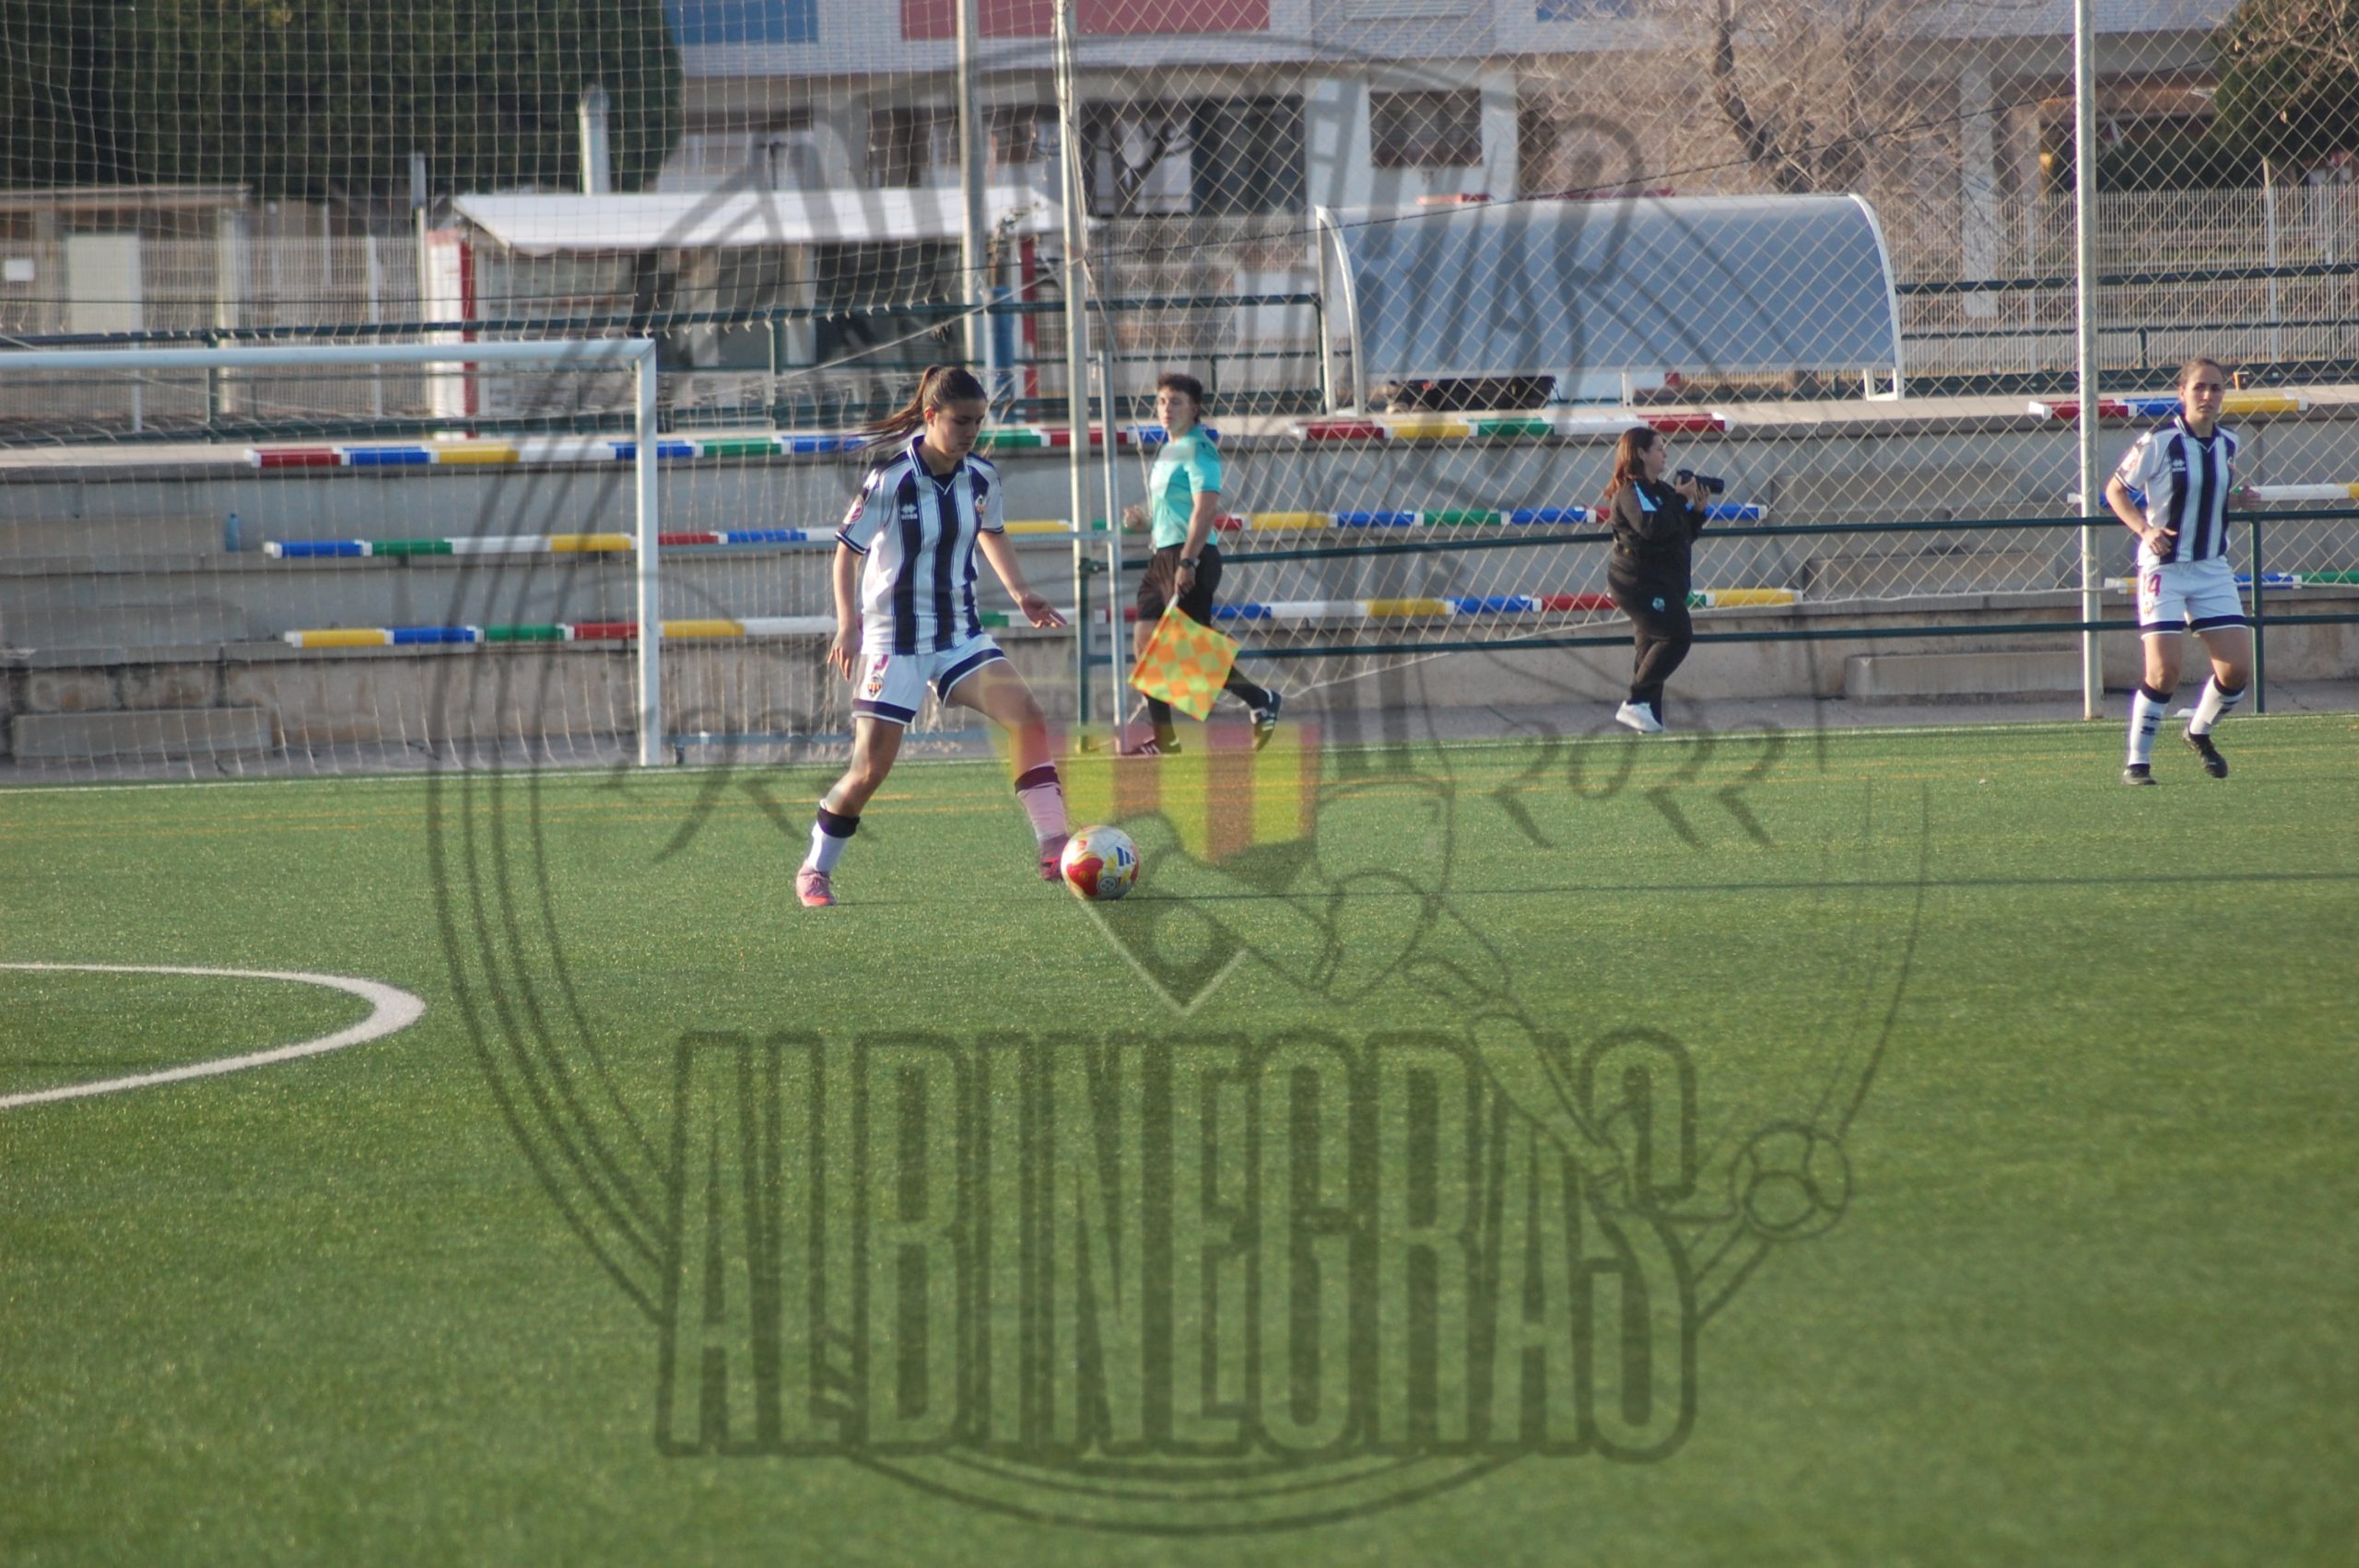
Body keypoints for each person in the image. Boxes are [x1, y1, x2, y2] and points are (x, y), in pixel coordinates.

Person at [795, 365, 1071, 907]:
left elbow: (992, 532)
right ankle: (815, 869)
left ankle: (1053, 844)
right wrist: (848, 625)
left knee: (1028, 717)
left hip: (959, 634)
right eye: (960, 421)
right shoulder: (892, 479)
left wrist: (1021, 592)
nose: (970, 432)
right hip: (894, 642)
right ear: (931, 416)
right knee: (869, 771)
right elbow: (846, 553)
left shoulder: (981, 477)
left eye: (978, 422)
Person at [2104, 357, 2261, 786]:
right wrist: (2145, 529)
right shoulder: (2160, 441)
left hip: (2211, 567)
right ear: (2182, 393)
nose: (2208, 396)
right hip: (2165, 568)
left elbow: (2207, 495)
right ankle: (2138, 762)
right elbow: (2115, 490)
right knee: (2163, 672)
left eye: (2215, 388)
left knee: (2236, 671)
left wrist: (2237, 500)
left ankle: (2198, 731)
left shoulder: (2228, 442)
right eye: (2199, 388)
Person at [1119, 371, 1282, 755]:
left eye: (1175, 401)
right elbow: (1170, 510)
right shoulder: (1168, 450)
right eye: (1161, 401)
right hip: (1162, 556)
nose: (1166, 408)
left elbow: (1204, 509)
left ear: (1194, 409)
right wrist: (1143, 519)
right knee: (1146, 643)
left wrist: (1188, 562)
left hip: (1191, 555)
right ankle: (1167, 738)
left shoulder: (1199, 449)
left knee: (1188, 651)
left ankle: (1260, 699)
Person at [1601, 425, 1709, 733]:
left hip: (1662, 581)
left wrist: (1697, 513)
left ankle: (1649, 720)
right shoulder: (1630, 492)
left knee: (1649, 648)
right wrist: (1679, 500)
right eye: (1659, 449)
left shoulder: (1662, 492)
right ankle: (1636, 701)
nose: (1665, 455)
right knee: (1676, 635)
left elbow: (1679, 535)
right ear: (1641, 453)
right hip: (1637, 582)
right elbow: (1652, 528)